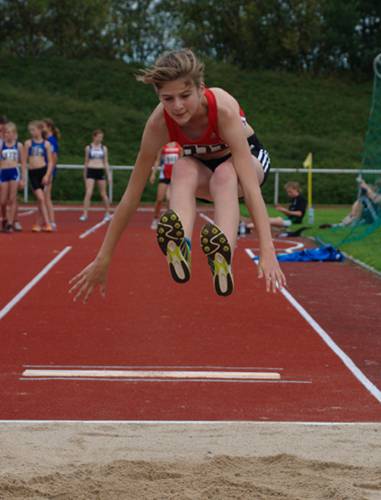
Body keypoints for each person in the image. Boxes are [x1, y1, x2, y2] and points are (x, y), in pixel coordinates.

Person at [70, 49, 286, 302]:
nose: (177, 106)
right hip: (202, 168)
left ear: (200, 88)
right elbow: (131, 196)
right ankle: (180, 243)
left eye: (185, 96)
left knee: (226, 174)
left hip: (248, 161)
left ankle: (223, 250)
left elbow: (250, 189)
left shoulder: (223, 108)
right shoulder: (158, 124)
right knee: (182, 166)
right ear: (158, 96)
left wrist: (267, 248)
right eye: (167, 98)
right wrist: (103, 258)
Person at [24, 120, 54, 232]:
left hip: (43, 171)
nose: (32, 132)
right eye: (30, 130)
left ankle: (38, 224)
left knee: (41, 200)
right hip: (33, 173)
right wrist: (23, 176)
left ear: (40, 130)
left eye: (33, 130)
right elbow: (24, 161)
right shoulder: (28, 143)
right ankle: (47, 223)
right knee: (41, 198)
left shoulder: (46, 144)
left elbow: (50, 162)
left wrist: (47, 175)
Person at [80, 129, 111, 222]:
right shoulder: (88, 148)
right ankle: (85, 214)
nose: (100, 139)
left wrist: (108, 174)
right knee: (89, 192)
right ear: (94, 136)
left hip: (100, 170)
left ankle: (107, 213)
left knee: (103, 193)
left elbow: (105, 162)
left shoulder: (104, 148)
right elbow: (86, 161)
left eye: (102, 137)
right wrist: (85, 173)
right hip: (91, 170)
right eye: (99, 137)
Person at [0, 122, 26, 232]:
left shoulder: (19, 145)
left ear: (15, 134)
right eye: (6, 132)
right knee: (2, 200)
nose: (8, 135)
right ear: (3, 134)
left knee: (12, 198)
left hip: (14, 172)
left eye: (10, 132)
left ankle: (10, 223)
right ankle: (5, 218)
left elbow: (23, 163)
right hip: (3, 172)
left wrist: (23, 179)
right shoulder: (1, 145)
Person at [150, 141, 181, 230]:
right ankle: (155, 218)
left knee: (169, 199)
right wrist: (153, 173)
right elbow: (157, 160)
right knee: (159, 199)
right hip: (164, 175)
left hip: (174, 177)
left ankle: (169, 221)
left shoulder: (179, 147)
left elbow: (182, 161)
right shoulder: (162, 146)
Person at [42, 118, 60, 231]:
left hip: (48, 171)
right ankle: (46, 221)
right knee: (44, 197)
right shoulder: (47, 140)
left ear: (49, 127)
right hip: (45, 170)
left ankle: (51, 221)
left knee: (46, 197)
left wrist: (50, 173)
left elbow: (54, 159)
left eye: (43, 126)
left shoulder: (51, 141)